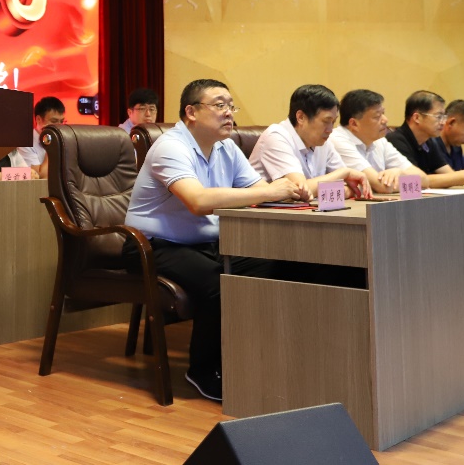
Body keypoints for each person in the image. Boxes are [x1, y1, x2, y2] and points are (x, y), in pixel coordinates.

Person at [122, 79, 308, 402]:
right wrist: (269, 191)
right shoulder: (171, 147)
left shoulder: (226, 147)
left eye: (231, 106)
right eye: (220, 105)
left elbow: (256, 191)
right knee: (219, 283)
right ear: (191, 112)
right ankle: (203, 370)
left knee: (275, 264)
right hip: (153, 246)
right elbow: (197, 201)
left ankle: (251, 357)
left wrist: (288, 192)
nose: (229, 113)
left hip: (205, 244)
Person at [248, 84, 370, 199]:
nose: (330, 129)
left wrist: (336, 187)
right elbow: (300, 190)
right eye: (326, 121)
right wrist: (344, 173)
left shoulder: (323, 141)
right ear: (301, 117)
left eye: (333, 122)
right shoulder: (276, 136)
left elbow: (354, 187)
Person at [328, 89, 423, 193]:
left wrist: (401, 173)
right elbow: (383, 187)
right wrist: (410, 181)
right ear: (354, 124)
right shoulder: (337, 140)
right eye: (377, 116)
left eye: (383, 113)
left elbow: (424, 179)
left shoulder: (379, 140)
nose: (385, 120)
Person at [387, 91, 464, 187]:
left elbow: (449, 175)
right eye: (438, 117)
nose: (443, 122)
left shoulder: (429, 141)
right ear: (417, 118)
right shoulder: (395, 140)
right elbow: (416, 180)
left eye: (443, 117)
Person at [9, 97, 65, 178]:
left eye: (62, 122)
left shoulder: (65, 139)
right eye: (54, 121)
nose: (59, 126)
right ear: (38, 119)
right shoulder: (26, 142)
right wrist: (52, 146)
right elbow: (39, 177)